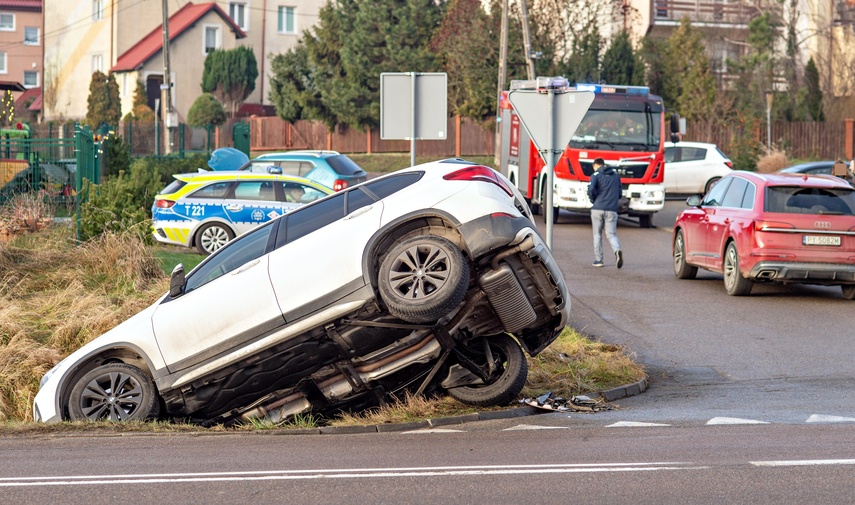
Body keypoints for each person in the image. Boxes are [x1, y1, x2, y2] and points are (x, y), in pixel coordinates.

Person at [587, 158, 623, 268]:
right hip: (612, 209)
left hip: (598, 208)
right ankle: (617, 250)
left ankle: (599, 260)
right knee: (611, 234)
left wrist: (593, 200)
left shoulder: (596, 175)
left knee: (597, 234)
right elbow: (620, 193)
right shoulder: (616, 176)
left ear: (596, 165)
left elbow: (591, 190)